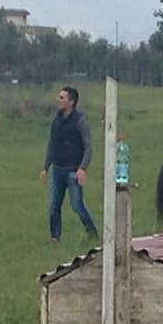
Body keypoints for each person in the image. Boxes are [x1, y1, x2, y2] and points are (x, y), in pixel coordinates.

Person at [39, 86, 99, 241]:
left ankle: (92, 233)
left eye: (62, 98)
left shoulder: (80, 120)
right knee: (54, 206)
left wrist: (82, 168)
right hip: (57, 170)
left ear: (71, 102)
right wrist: (45, 168)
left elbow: (88, 146)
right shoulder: (57, 120)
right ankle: (55, 237)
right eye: (58, 97)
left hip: (73, 171)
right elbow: (52, 144)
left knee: (77, 205)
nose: (58, 100)